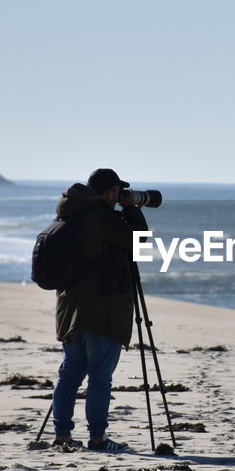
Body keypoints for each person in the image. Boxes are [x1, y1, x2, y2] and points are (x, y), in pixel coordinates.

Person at [51, 168, 148, 451]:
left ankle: (63, 435)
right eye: (118, 192)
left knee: (69, 375)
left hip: (70, 310)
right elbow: (139, 242)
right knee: (100, 377)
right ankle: (97, 438)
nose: (120, 197)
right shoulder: (102, 218)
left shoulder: (68, 215)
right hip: (102, 311)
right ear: (108, 193)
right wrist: (131, 209)